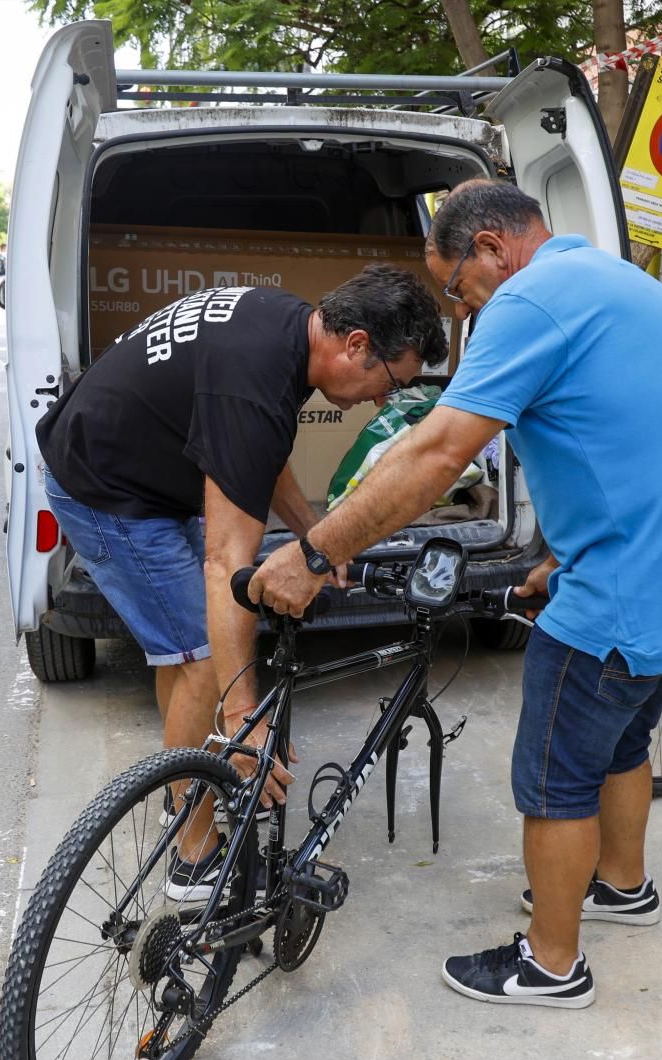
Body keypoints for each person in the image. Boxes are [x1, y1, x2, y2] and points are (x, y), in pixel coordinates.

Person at [250, 179, 662, 1009]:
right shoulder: (628, 285)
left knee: (557, 776)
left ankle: (552, 965)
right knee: (623, 741)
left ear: (491, 249)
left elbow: (436, 456)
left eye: (456, 288)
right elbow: (640, 445)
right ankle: (622, 888)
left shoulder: (531, 301)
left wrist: (314, 552)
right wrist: (563, 560)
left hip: (622, 598)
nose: (461, 311)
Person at [36, 265, 447, 902]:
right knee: (205, 656)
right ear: (356, 344)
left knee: (183, 647)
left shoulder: (286, 329)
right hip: (106, 489)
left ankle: (183, 790)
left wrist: (315, 535)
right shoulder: (256, 378)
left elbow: (259, 450)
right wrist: (242, 723)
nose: (378, 401)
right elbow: (226, 563)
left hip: (140, 467)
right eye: (388, 383)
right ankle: (193, 856)